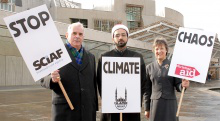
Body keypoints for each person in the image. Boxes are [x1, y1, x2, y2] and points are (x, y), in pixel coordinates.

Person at [41, 22, 98, 121]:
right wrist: (52, 79)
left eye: (80, 34)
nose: (77, 36)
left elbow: (93, 85)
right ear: (67, 35)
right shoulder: (55, 54)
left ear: (83, 37)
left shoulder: (91, 57)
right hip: (65, 111)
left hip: (87, 112)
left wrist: (94, 107)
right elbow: (43, 79)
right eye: (74, 33)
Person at [97, 24, 147, 121]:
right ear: (113, 38)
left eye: (123, 35)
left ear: (127, 37)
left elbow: (143, 82)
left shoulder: (137, 57)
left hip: (131, 109)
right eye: (117, 35)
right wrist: (109, 100)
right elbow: (100, 82)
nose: (120, 38)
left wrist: (135, 101)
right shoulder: (104, 57)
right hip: (111, 109)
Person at [144, 37, 190, 121]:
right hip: (155, 105)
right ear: (154, 51)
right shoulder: (149, 68)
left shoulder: (173, 66)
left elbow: (178, 85)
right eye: (157, 49)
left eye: (162, 48)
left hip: (170, 104)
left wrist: (183, 85)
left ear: (166, 50)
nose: (159, 51)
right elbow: (147, 90)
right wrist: (147, 108)